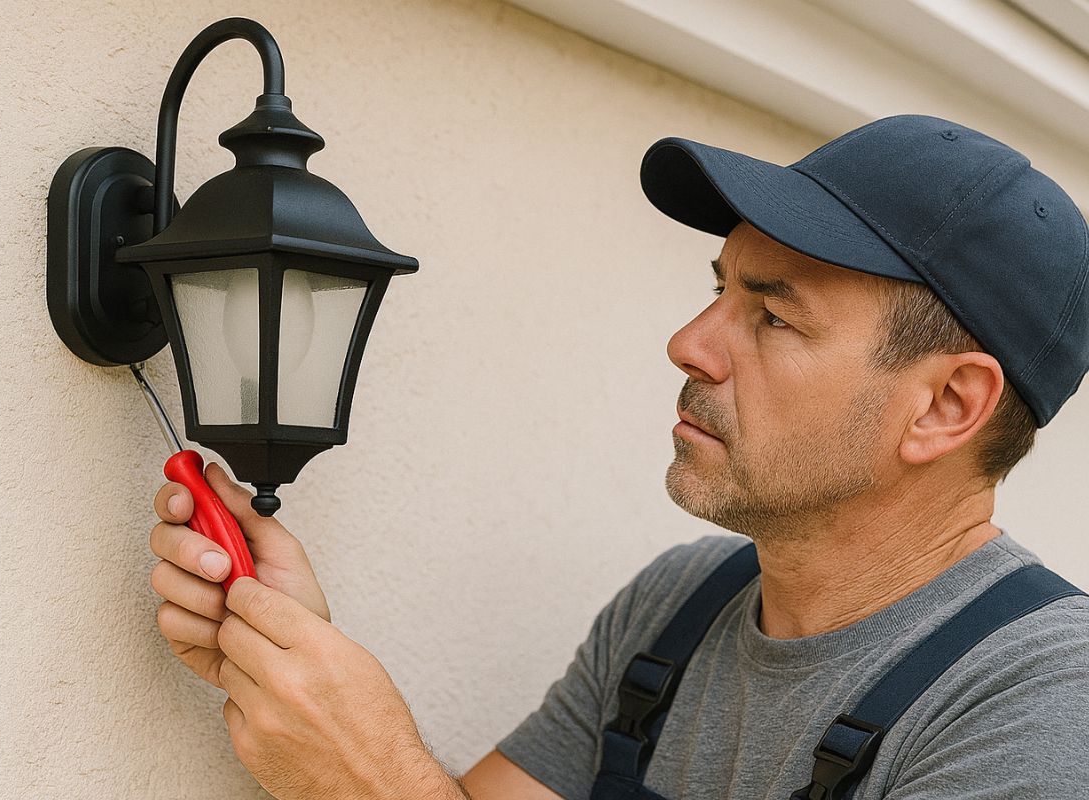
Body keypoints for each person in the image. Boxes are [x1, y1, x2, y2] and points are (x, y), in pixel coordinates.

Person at [146, 114, 1089, 799]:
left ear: (945, 406)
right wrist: (294, 659)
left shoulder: (1043, 710)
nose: (689, 342)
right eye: (716, 291)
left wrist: (367, 783)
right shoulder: (677, 611)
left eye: (772, 316)